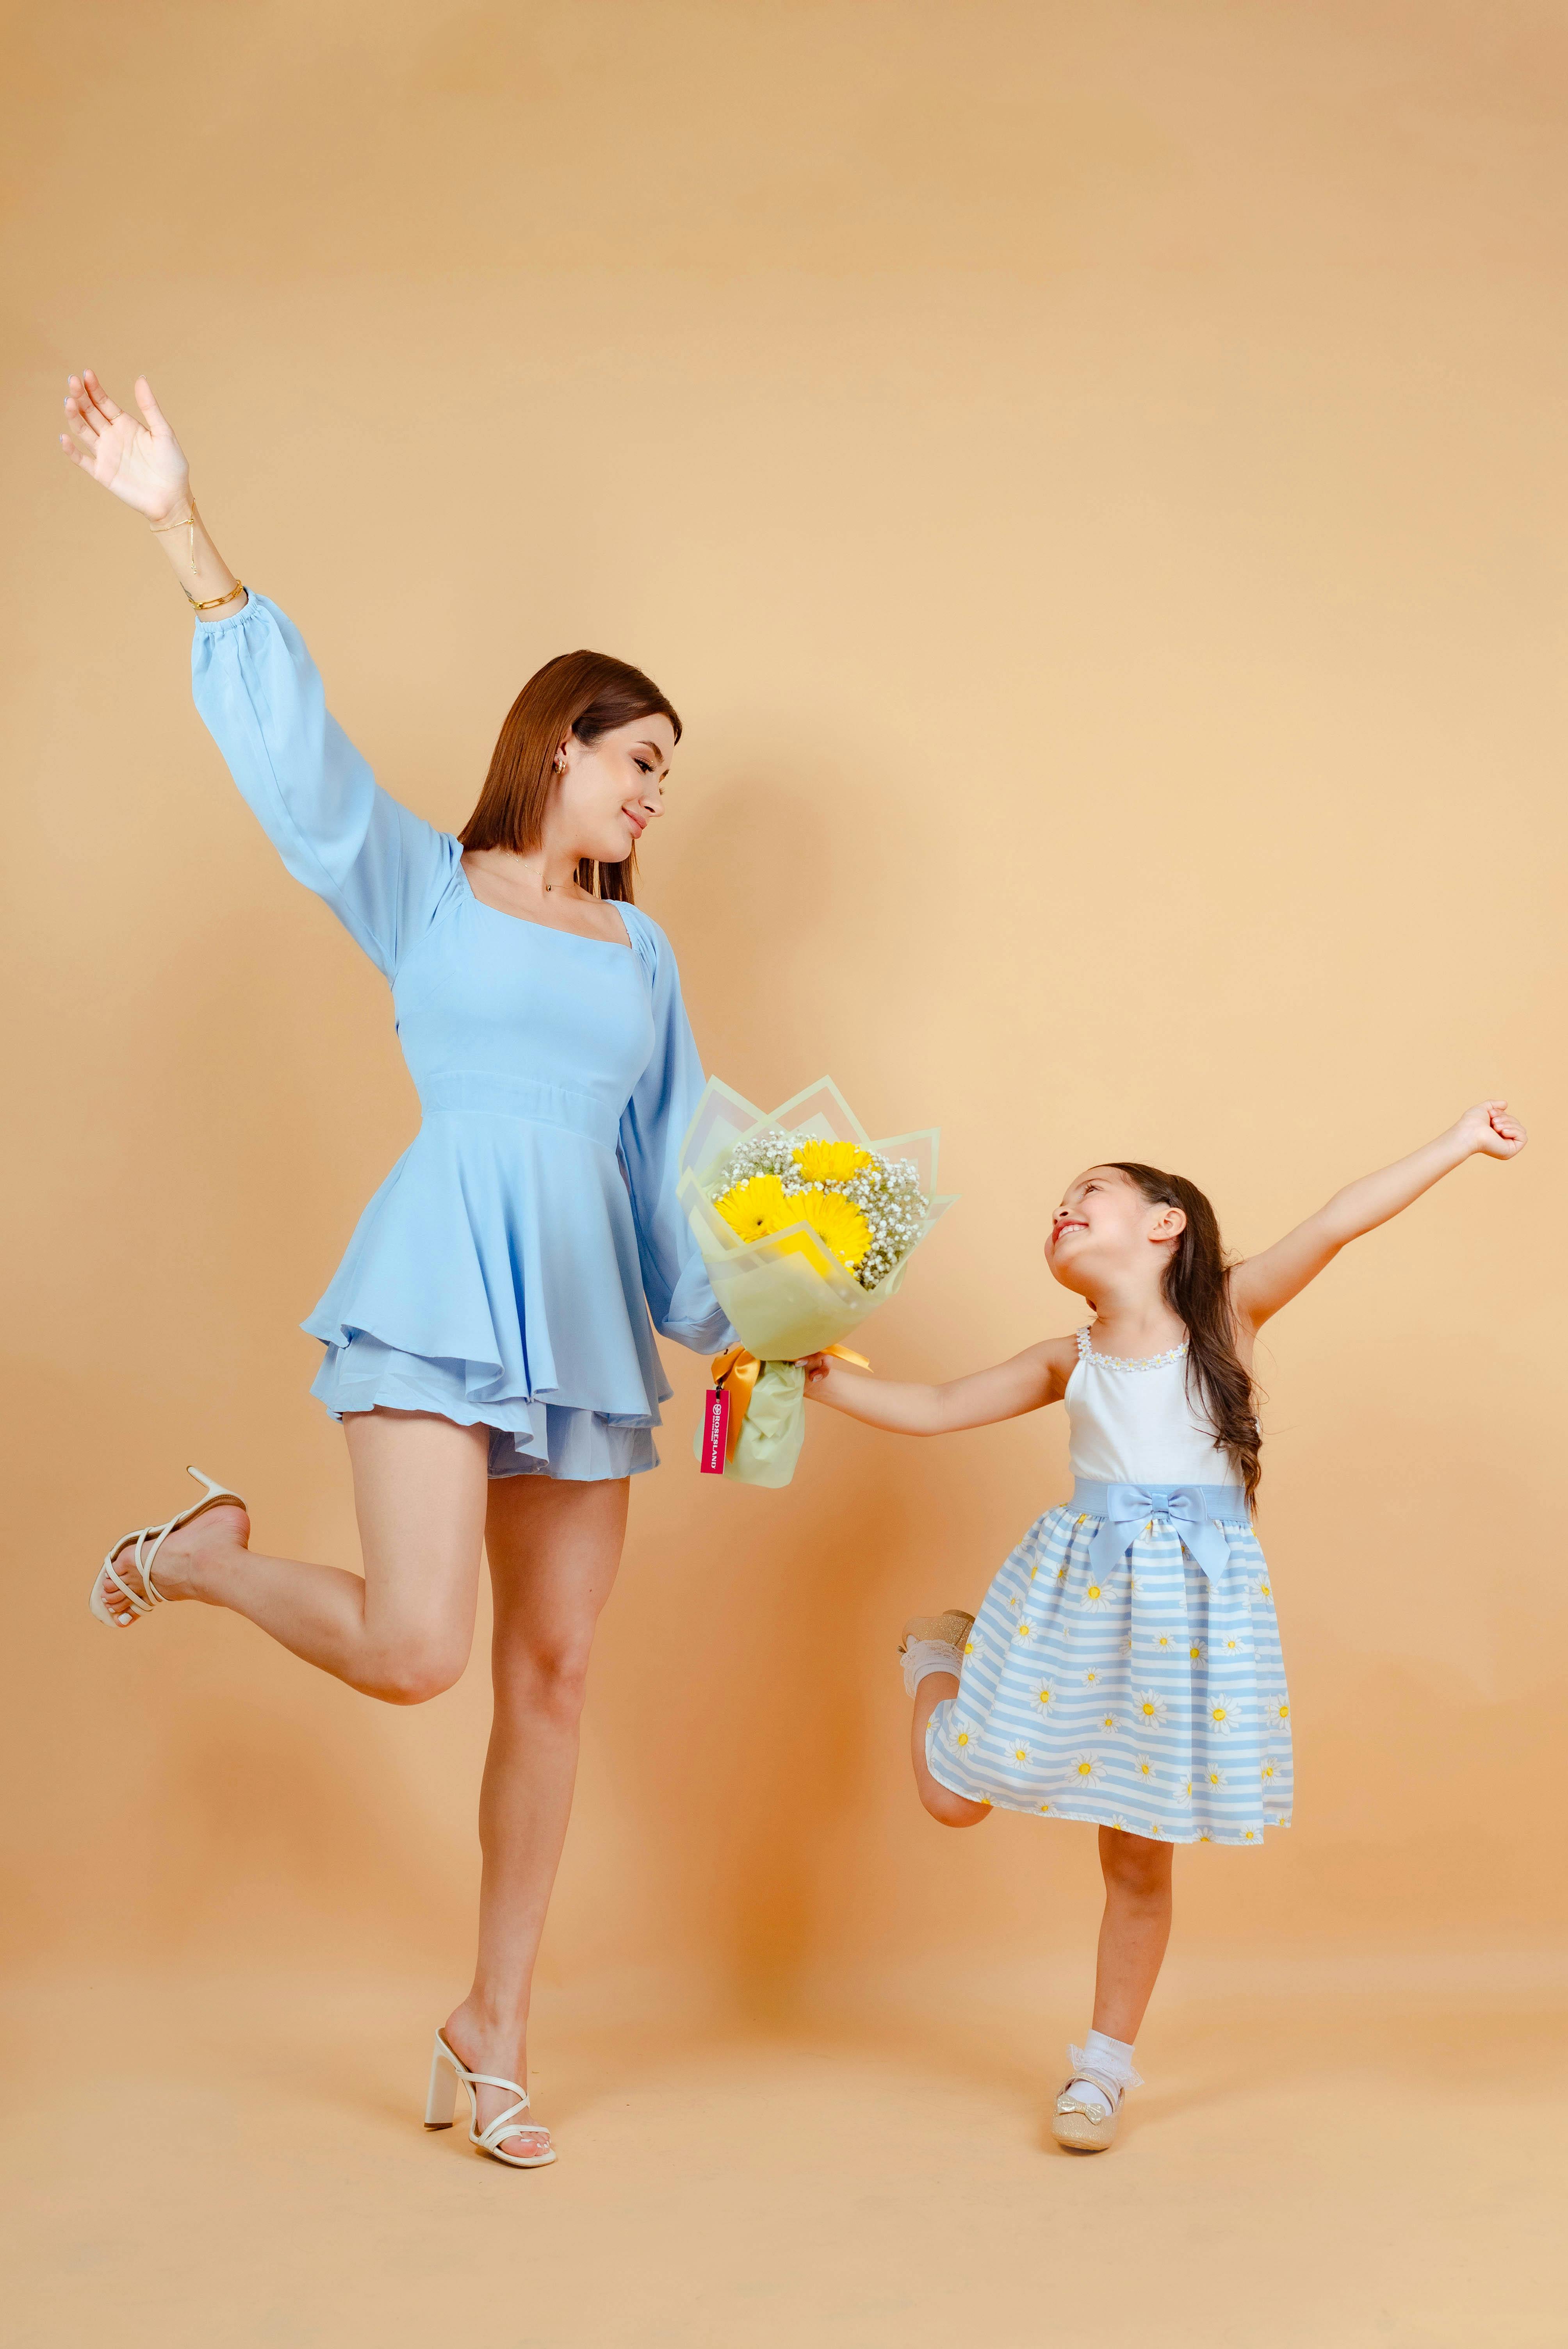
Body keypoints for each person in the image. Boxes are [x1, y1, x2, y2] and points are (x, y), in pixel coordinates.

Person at [61, 369, 731, 2170]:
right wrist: (182, 532)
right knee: (424, 1648)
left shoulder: (644, 959)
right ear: (559, 747)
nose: (656, 791)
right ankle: (201, 1564)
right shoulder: (427, 886)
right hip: (439, 1286)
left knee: (558, 1676)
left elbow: (676, 1171)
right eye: (639, 758)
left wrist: (769, 1319)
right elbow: (299, 765)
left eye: (670, 770)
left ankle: (491, 2025)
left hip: (586, 1321)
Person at [800, 1105, 1527, 2151]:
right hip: (1077, 1603)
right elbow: (943, 1402)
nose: (1063, 1209)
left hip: (1187, 1632)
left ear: (1166, 1223)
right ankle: (938, 1654)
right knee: (952, 1800)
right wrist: (818, 1380)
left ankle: (1101, 2071)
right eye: (1057, 1206)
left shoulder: (1228, 1316)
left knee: (1141, 1860)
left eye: (1087, 1193)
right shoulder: (1069, 1359)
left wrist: (1459, 1142)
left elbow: (1339, 1220)